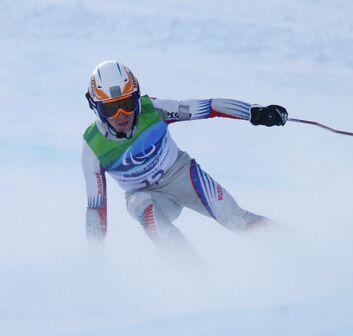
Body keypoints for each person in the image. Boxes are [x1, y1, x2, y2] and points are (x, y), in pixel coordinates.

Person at [82, 60, 287, 253]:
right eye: (109, 108)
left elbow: (208, 107)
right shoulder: (93, 146)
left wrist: (254, 112)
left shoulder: (153, 110)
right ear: (96, 108)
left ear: (137, 98)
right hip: (150, 197)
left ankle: (295, 245)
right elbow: (96, 207)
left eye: (127, 104)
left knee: (235, 219)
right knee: (138, 204)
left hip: (182, 176)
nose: (121, 115)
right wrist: (95, 256)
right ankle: (194, 273)